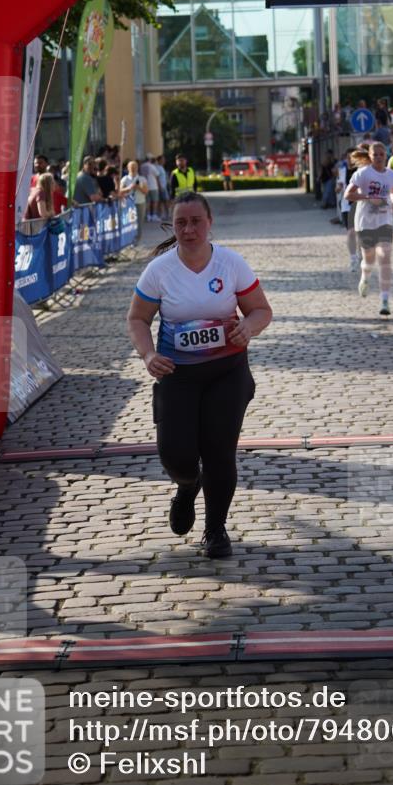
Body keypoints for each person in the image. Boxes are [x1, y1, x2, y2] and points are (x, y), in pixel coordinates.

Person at [126, 192, 272, 558]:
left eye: (196, 222)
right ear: (173, 226)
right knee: (176, 455)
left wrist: (249, 328)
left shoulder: (231, 263)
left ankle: (215, 529)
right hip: (178, 374)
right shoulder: (160, 270)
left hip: (228, 372)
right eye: (180, 223)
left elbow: (260, 311)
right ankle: (187, 486)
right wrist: (148, 355)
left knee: (219, 452)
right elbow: (137, 319)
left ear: (210, 224)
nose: (188, 230)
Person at [344, 141, 393, 316]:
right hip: (365, 222)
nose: (378, 158)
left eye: (381, 154)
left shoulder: (392, 175)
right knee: (369, 259)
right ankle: (365, 276)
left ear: (386, 155)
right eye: (374, 155)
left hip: (384, 221)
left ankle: (385, 300)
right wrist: (368, 197)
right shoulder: (363, 174)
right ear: (369, 156)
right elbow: (348, 195)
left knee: (385, 258)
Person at [120, 159, 148, 244]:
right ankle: (128, 238)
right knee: (129, 221)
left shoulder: (142, 179)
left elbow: (146, 191)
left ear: (137, 168)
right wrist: (129, 188)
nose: (133, 168)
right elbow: (120, 191)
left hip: (140, 202)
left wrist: (138, 187)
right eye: (131, 167)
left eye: (135, 167)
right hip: (128, 204)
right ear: (128, 168)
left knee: (139, 222)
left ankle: (137, 239)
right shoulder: (125, 179)